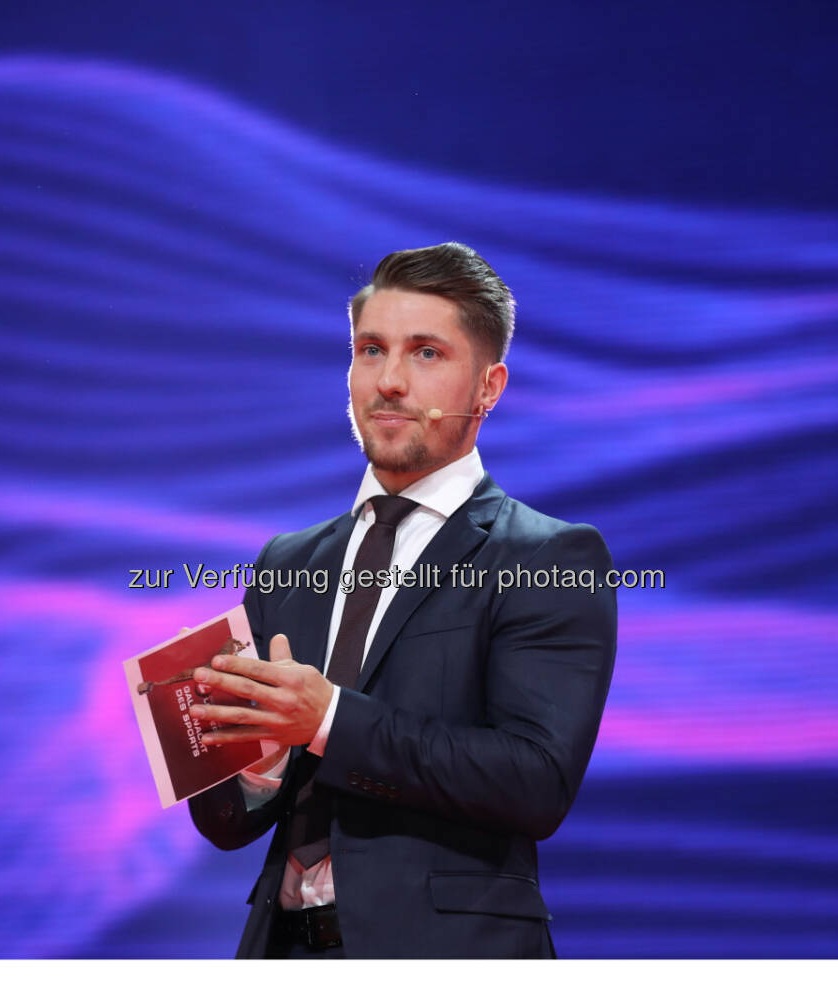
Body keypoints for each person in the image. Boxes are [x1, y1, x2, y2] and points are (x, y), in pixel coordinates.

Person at [187, 242, 617, 958]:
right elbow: (229, 822)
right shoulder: (288, 562)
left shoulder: (546, 556)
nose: (388, 381)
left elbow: (535, 780)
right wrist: (248, 753)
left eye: (425, 354)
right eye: (369, 349)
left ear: (489, 386)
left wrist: (324, 717)